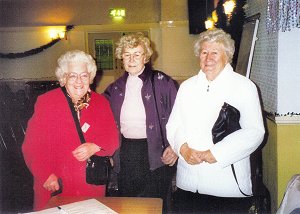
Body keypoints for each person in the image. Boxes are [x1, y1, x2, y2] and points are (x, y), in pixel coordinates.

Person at [166, 28, 265, 213]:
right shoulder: (187, 87)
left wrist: (216, 154)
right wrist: (183, 148)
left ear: (226, 56)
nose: (208, 57)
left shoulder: (244, 87)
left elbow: (255, 132)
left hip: (227, 186)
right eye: (204, 52)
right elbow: (174, 125)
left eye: (214, 52)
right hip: (188, 183)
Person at [22, 50, 119, 211]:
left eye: (84, 75)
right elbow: (31, 146)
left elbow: (112, 138)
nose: (79, 81)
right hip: (56, 185)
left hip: (90, 185)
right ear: (63, 78)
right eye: (72, 75)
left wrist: (95, 146)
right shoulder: (47, 102)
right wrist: (45, 174)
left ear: (91, 77)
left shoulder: (101, 102)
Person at [104, 32, 178, 211]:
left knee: (154, 204)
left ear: (145, 57)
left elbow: (181, 117)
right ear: (121, 58)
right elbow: (102, 121)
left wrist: (174, 147)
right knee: (128, 204)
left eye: (137, 54)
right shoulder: (115, 88)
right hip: (126, 152)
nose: (131, 59)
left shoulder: (163, 82)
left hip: (156, 153)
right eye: (127, 54)